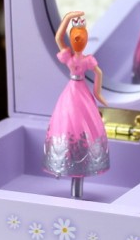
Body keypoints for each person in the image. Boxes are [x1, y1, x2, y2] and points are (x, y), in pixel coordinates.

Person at [44, 11, 109, 198]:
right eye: (76, 39)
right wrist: (97, 93)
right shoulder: (79, 59)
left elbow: (59, 38)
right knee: (71, 123)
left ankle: (76, 161)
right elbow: (98, 73)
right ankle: (69, 159)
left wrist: (67, 19)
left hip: (77, 92)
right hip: (76, 92)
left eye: (79, 39)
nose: (78, 41)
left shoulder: (76, 59)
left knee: (80, 124)